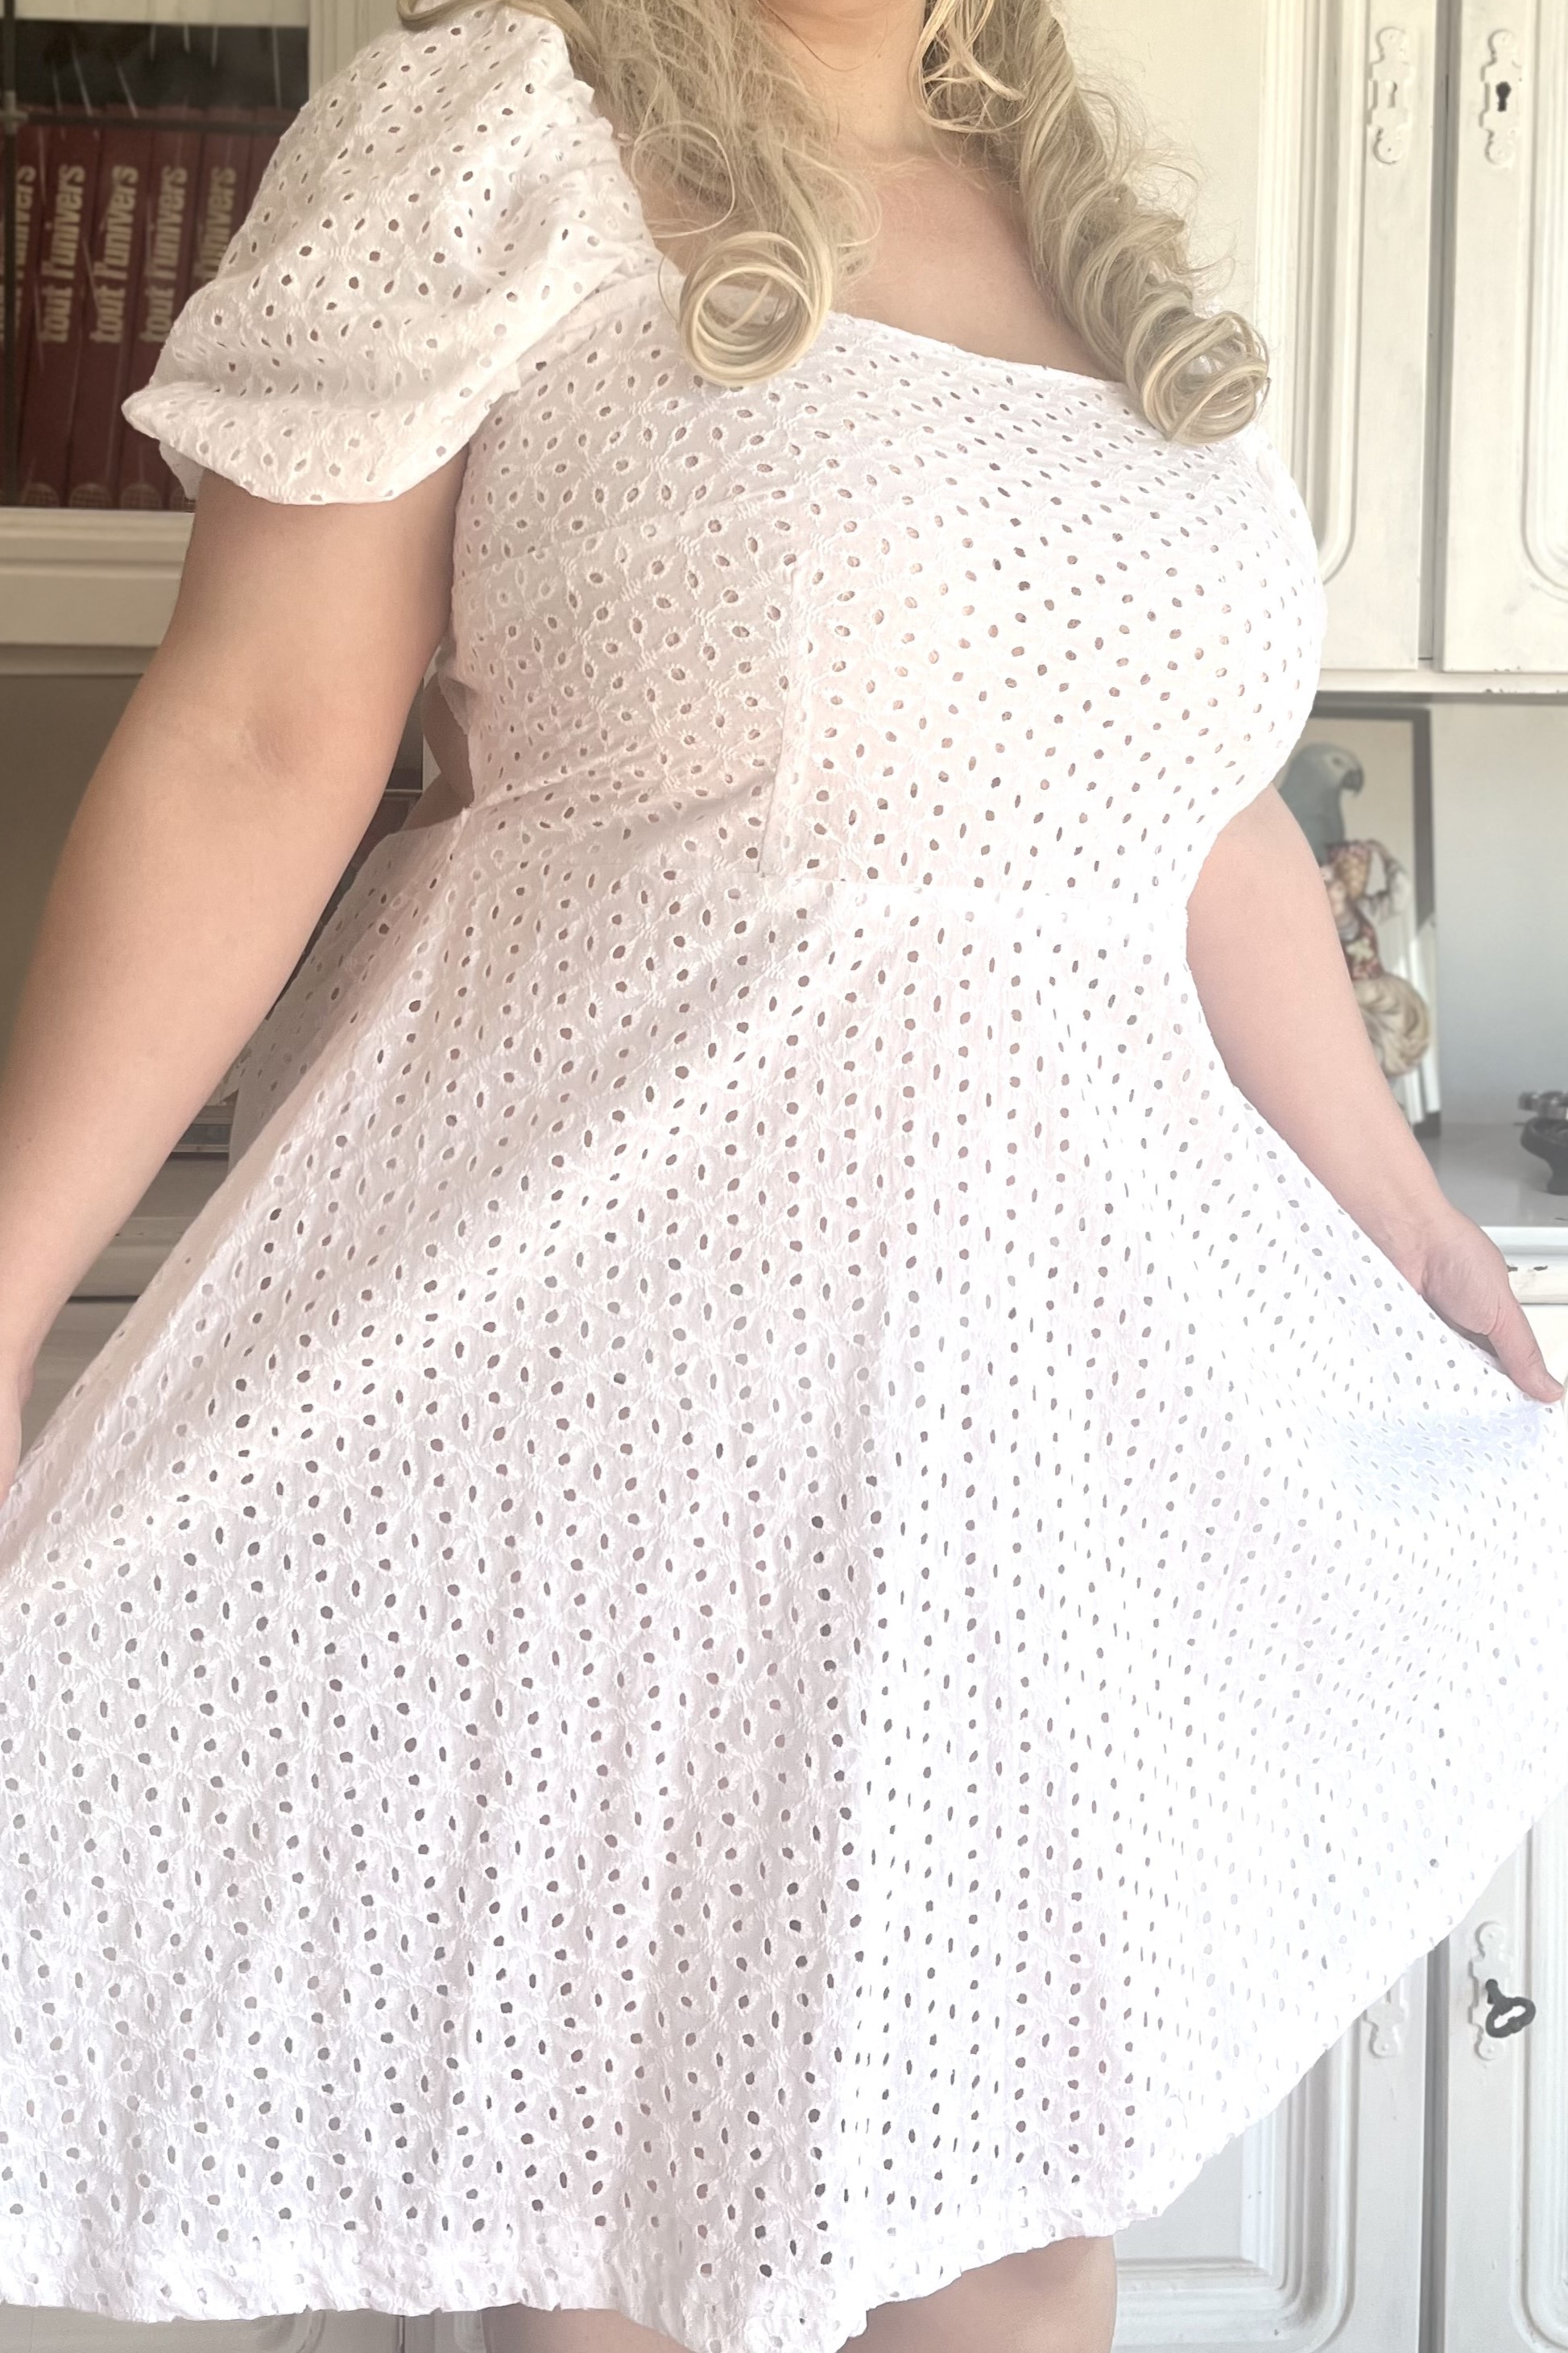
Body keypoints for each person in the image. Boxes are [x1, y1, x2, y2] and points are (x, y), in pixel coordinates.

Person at [0, 3, 1562, 2351]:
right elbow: (258, 729)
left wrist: (1409, 1222)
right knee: (629, 2216)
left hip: (1037, 1413)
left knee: (1008, 2212)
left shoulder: (1070, 215)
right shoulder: (501, 127)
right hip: (621, 1369)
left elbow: (1190, 815)